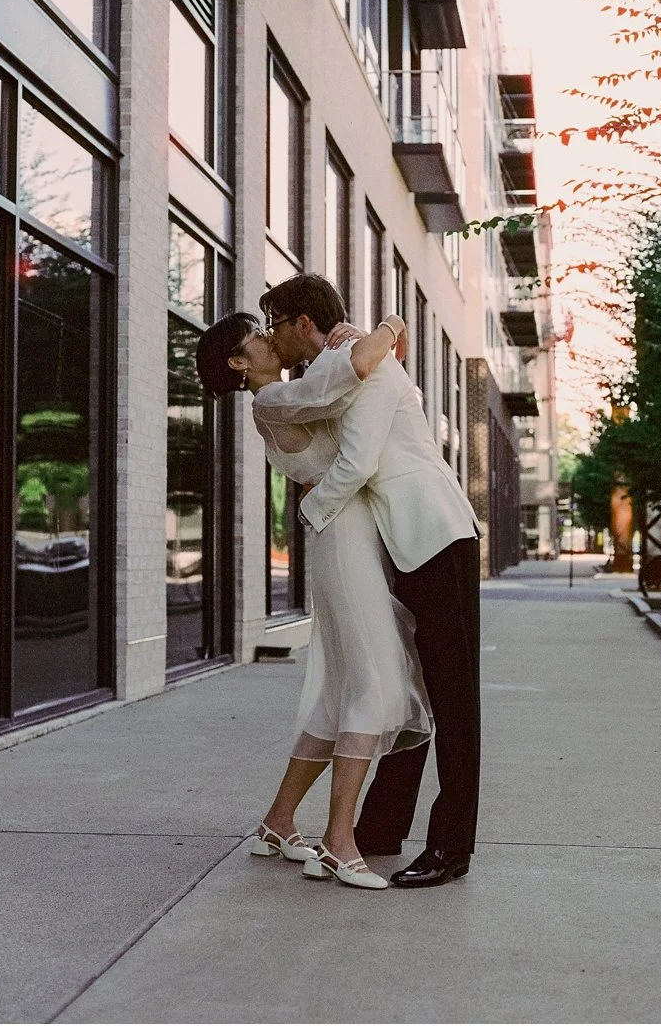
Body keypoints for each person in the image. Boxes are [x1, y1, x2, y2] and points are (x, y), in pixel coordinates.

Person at [257, 273, 482, 889]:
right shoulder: (341, 363)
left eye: (277, 324)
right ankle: (382, 825)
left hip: (436, 534)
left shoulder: (364, 363)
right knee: (410, 682)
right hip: (401, 541)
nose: (274, 337)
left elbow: (358, 462)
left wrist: (311, 511)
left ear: (304, 323)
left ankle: (450, 847)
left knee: (452, 697)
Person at [195, 307, 432, 891]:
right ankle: (338, 843)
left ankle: (278, 822)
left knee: (338, 691)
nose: (268, 338)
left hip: (348, 535)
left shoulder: (284, 397)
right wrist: (386, 327)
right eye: (256, 337)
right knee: (374, 683)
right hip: (342, 537)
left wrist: (352, 344)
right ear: (239, 363)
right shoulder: (273, 400)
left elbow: (352, 388)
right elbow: (352, 374)